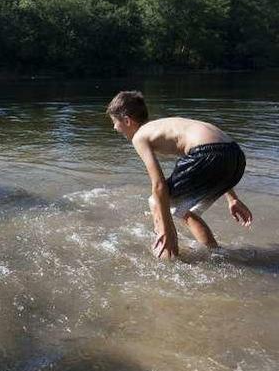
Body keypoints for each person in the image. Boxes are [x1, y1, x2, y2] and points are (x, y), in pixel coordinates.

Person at [107, 90, 252, 259]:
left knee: (156, 200)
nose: (114, 127)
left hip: (207, 153)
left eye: (114, 122)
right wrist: (231, 197)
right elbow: (215, 156)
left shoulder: (140, 136)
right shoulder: (165, 127)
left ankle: (167, 258)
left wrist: (168, 228)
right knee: (187, 211)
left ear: (127, 120)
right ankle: (217, 256)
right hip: (235, 156)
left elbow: (159, 185)